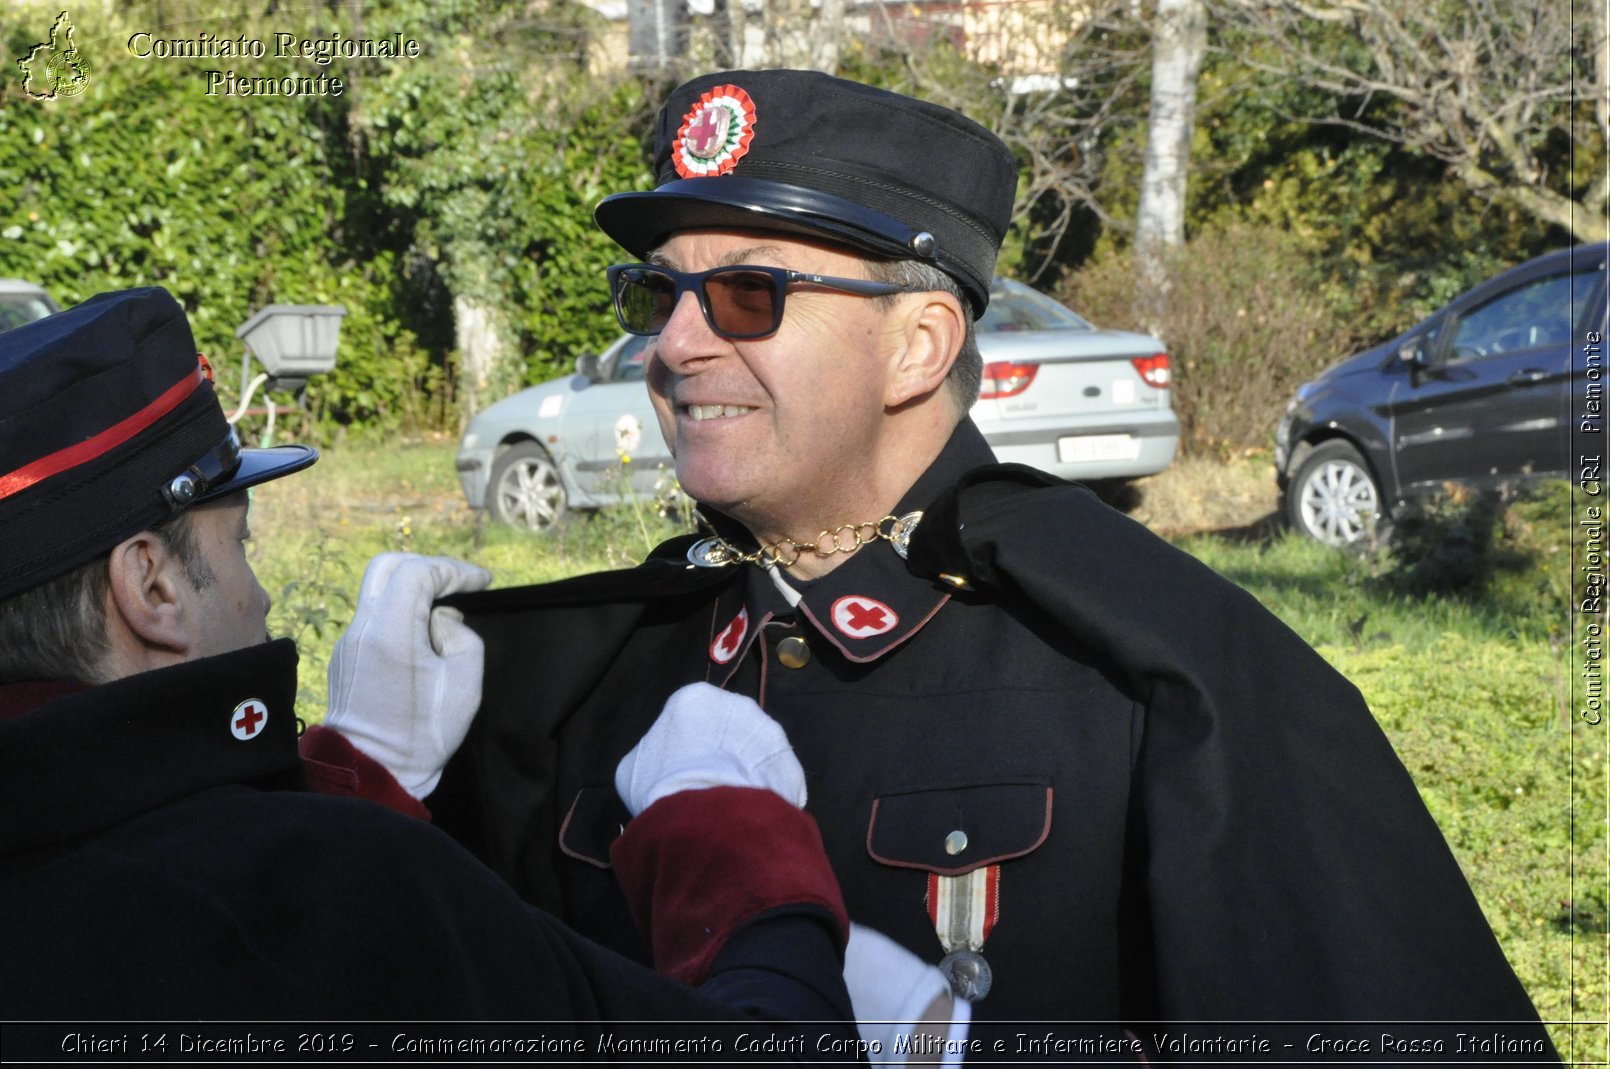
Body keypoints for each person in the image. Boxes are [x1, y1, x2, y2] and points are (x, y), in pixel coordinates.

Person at [324, 70, 1557, 1059]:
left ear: (918, 344)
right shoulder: (591, 671)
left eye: (747, 296)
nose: (675, 344)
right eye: (659, 295)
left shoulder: (1140, 676)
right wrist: (370, 803)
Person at [0, 286, 867, 1055]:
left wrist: (359, 769)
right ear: (151, 584)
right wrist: (729, 850)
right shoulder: (342, 888)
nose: (258, 595)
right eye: (239, 546)